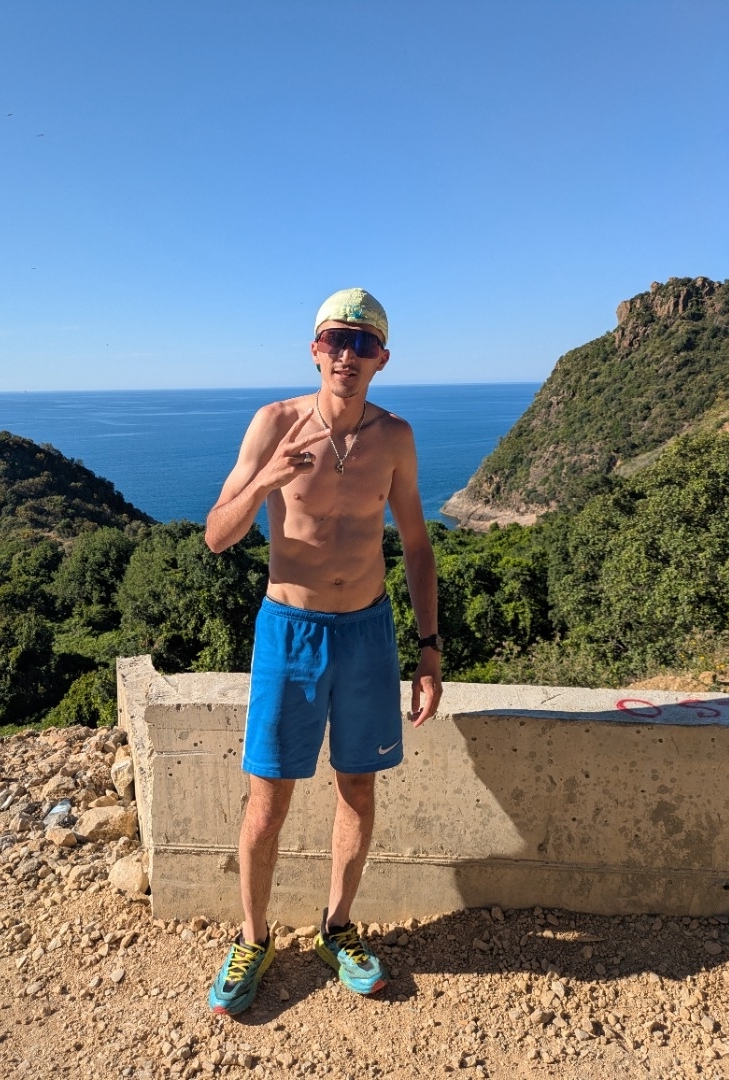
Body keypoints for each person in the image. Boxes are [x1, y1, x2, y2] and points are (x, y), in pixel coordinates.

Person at [204, 287, 442, 1015]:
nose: (348, 354)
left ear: (382, 359)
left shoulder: (394, 437)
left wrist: (429, 650)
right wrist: (266, 480)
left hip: (368, 631)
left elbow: (417, 545)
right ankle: (253, 938)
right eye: (336, 339)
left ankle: (337, 929)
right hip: (291, 629)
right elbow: (217, 535)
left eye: (362, 343)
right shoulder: (273, 424)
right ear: (315, 349)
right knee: (267, 802)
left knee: (358, 788)